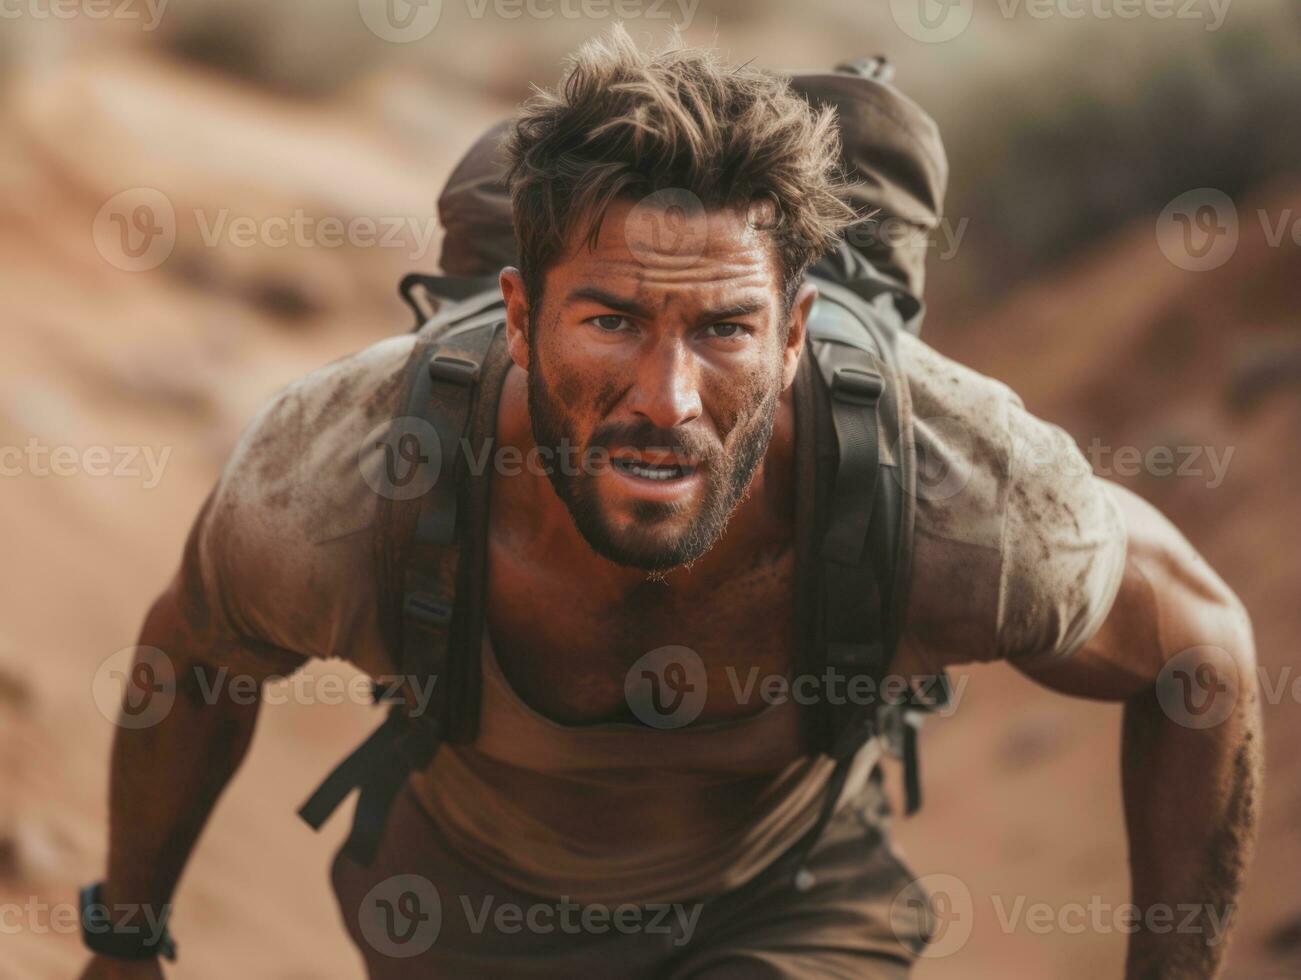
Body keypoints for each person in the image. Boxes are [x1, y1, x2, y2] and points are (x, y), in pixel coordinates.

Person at [80, 27, 1260, 979]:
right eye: (609, 320)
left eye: (724, 327)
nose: (669, 396)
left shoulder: (969, 497)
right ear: (519, 315)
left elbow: (1197, 649)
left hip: (791, 902)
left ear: (792, 331)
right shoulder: (336, 481)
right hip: (458, 906)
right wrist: (125, 942)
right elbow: (191, 658)